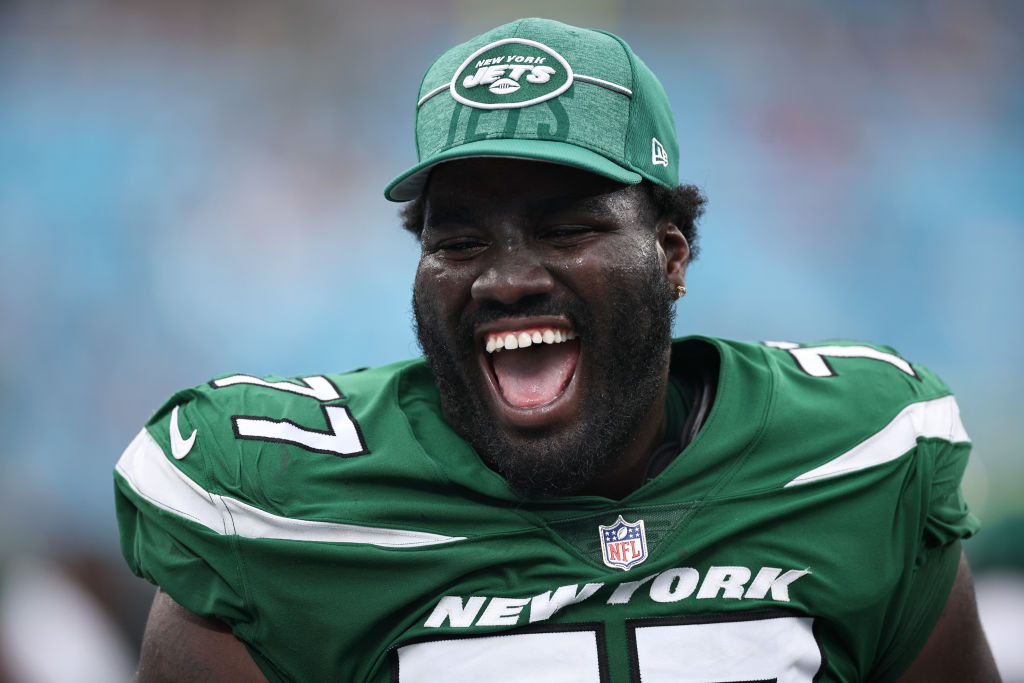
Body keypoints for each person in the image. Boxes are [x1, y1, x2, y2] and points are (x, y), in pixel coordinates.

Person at [114, 17, 1000, 682]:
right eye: (457, 241)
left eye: (566, 226)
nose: (505, 278)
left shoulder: (855, 462)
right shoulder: (276, 511)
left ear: (671, 251)